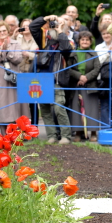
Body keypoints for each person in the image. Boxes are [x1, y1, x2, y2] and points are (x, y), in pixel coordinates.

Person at [29, 15, 74, 144]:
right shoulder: (44, 40)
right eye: (55, 23)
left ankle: (66, 136)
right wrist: (46, 18)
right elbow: (33, 27)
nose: (56, 24)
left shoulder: (67, 41)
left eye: (60, 23)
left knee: (59, 107)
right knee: (45, 109)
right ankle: (51, 136)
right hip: (42, 80)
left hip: (57, 81)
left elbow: (66, 49)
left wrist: (60, 31)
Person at [0, 21, 22, 128]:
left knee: (14, 109)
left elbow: (19, 59)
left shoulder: (15, 44)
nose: (2, 33)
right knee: (1, 110)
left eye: (4, 31)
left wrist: (8, 52)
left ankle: (15, 139)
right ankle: (2, 139)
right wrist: (0, 53)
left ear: (8, 31)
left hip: (13, 81)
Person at [69, 31, 101, 142]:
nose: (85, 41)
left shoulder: (93, 53)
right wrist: (79, 76)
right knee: (76, 108)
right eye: (82, 39)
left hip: (90, 84)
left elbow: (97, 68)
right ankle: (78, 132)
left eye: (87, 39)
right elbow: (69, 68)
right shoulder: (73, 53)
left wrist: (86, 77)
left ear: (90, 41)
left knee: (91, 108)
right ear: (79, 41)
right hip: (76, 84)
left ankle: (93, 132)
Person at [16, 19, 38, 119]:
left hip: (33, 72)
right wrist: (14, 34)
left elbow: (40, 54)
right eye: (23, 25)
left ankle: (34, 126)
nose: (25, 27)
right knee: (21, 100)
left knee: (33, 100)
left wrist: (27, 54)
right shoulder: (18, 38)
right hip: (20, 71)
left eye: (28, 25)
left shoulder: (37, 38)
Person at [95, 24, 112, 129]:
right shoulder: (98, 47)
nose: (106, 35)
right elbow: (98, 62)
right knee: (104, 104)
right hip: (102, 79)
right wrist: (108, 54)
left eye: (108, 33)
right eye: (103, 34)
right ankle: (105, 127)